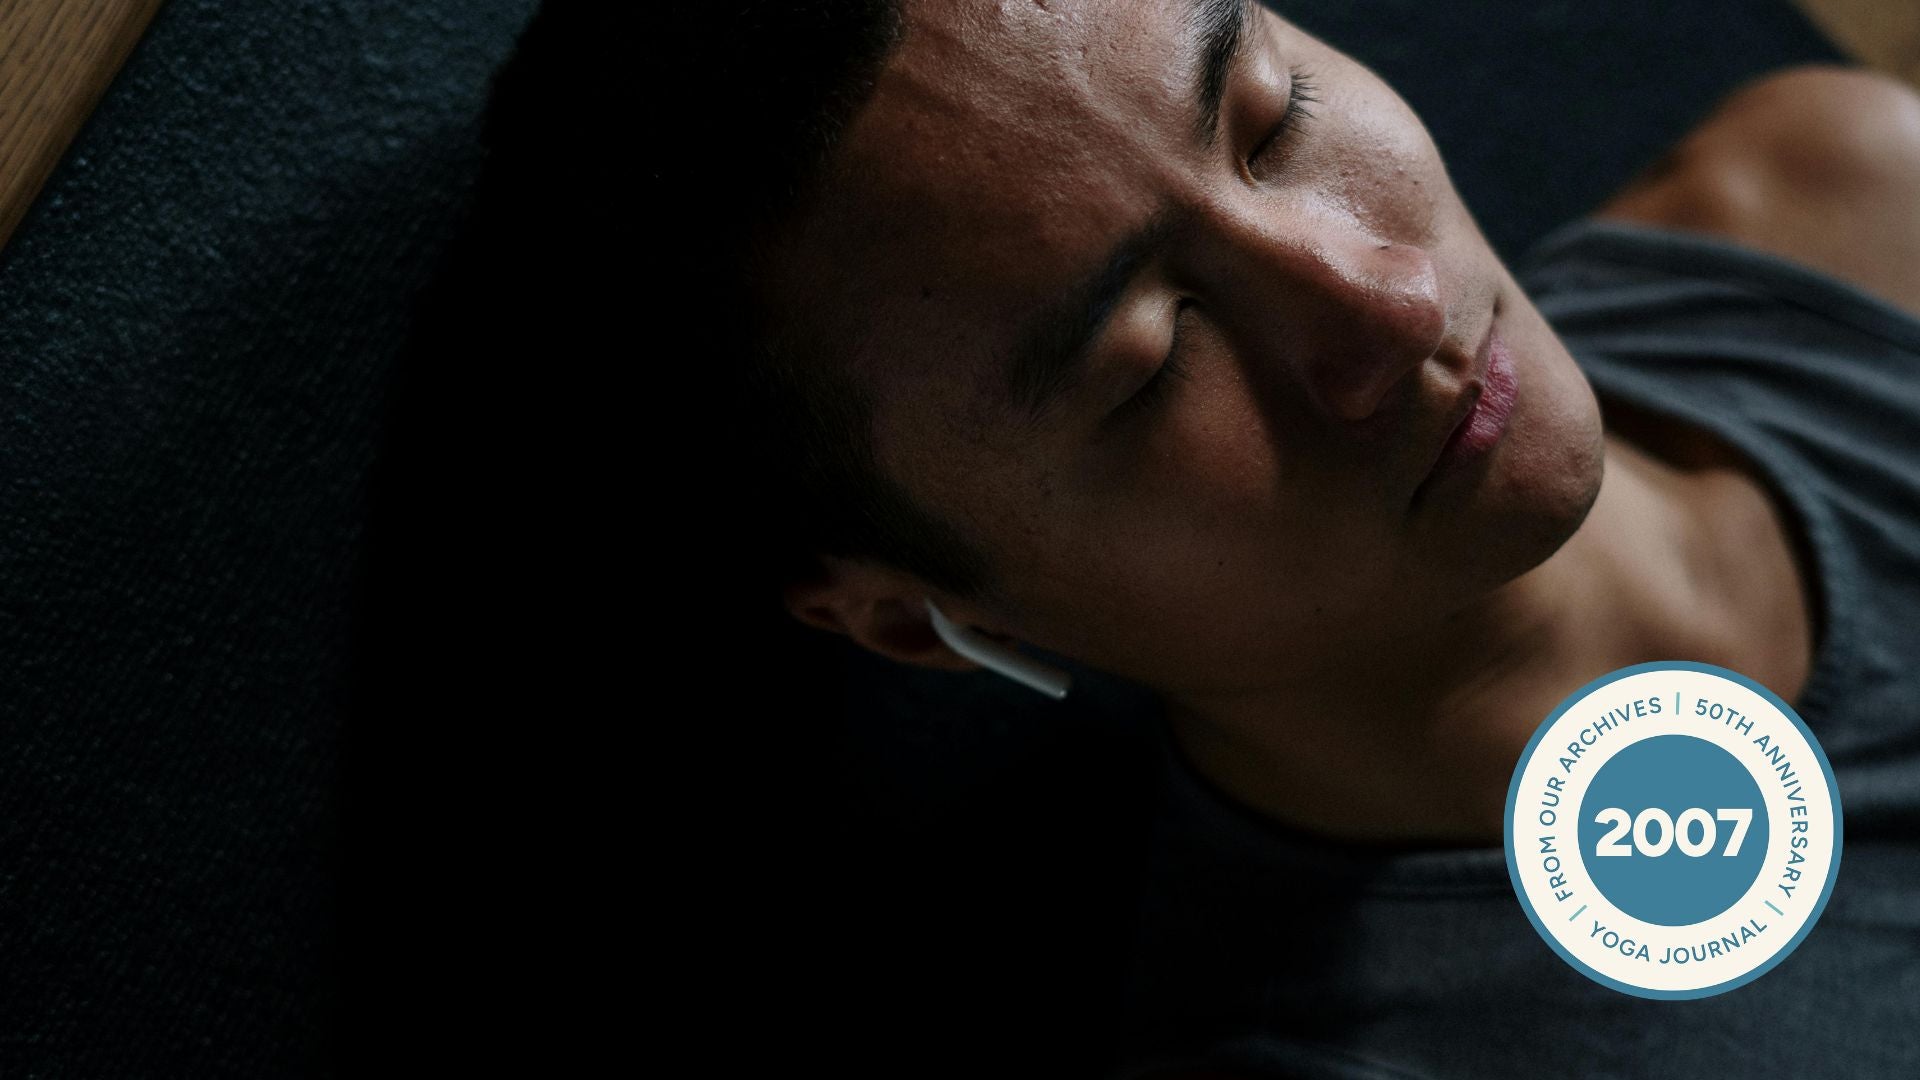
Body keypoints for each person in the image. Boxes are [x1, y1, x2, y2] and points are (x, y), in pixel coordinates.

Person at [651, 1, 1920, 1075]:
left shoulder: (1858, 194)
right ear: (923, 617)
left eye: (1275, 119)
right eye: (1148, 360)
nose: (1389, 301)